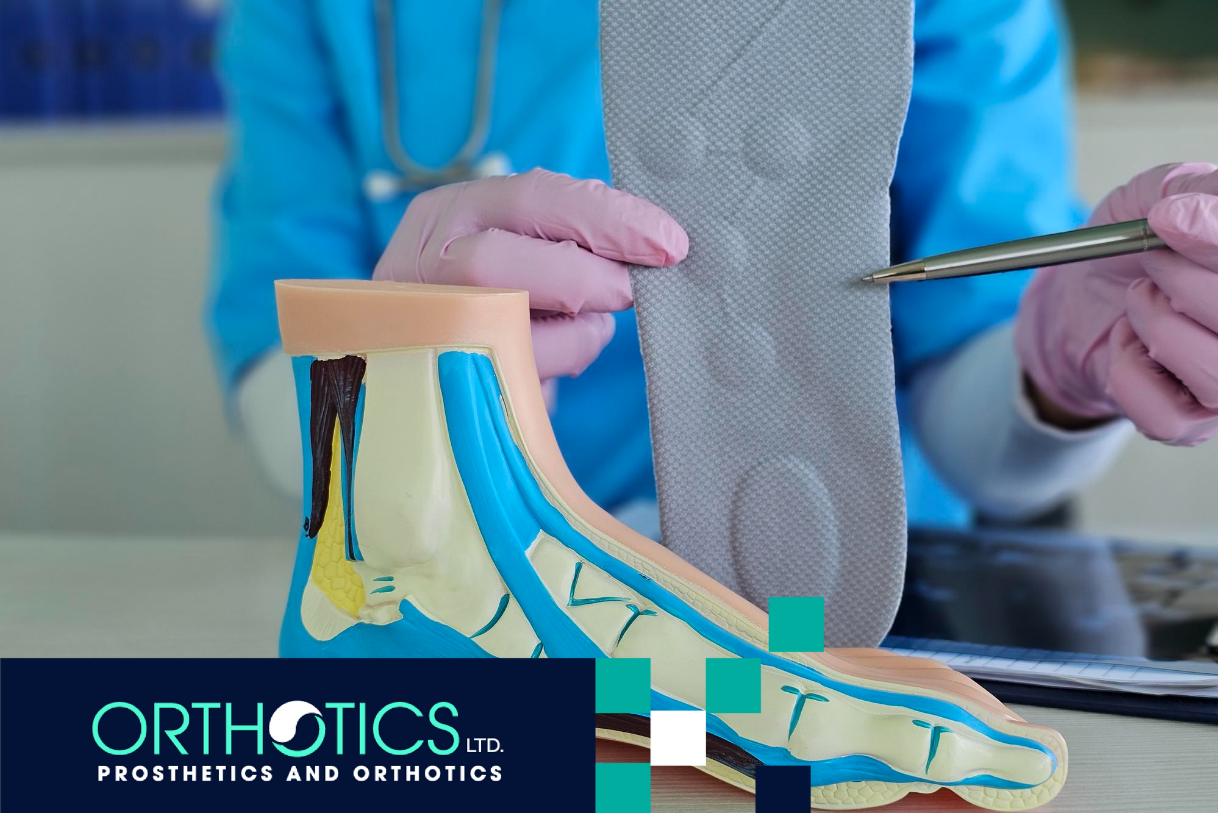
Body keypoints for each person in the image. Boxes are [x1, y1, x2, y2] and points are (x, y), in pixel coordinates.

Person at [208, 0, 1218, 540]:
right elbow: (273, 356)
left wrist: (1057, 371)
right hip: (511, 616)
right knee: (621, 775)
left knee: (749, 771)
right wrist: (391, 405)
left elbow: (981, 436)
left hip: (837, 624)